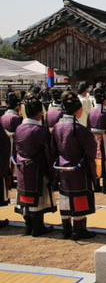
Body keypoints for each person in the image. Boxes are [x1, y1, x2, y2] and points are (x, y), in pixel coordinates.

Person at [52, 91, 98, 240]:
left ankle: (66, 227)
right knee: (79, 196)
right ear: (78, 110)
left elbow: (53, 147)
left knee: (64, 196)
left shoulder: (57, 127)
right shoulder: (80, 129)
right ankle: (79, 229)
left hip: (61, 165)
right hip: (78, 167)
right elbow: (91, 149)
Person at [14, 95, 55, 235]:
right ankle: (38, 226)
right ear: (39, 113)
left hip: (21, 166)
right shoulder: (40, 131)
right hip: (37, 167)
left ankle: (28, 225)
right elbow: (48, 152)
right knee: (39, 195)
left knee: (24, 192)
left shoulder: (19, 128)